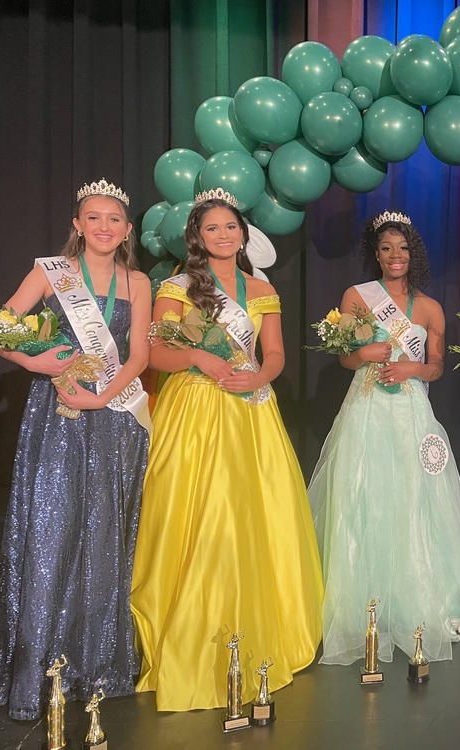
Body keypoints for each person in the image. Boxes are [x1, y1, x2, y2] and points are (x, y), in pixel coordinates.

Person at [131, 188, 323, 711]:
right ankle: (191, 633)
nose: (223, 235)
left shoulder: (262, 288)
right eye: (212, 228)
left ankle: (259, 632)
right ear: (197, 237)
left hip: (251, 411)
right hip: (194, 408)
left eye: (231, 228)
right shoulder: (175, 287)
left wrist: (258, 373)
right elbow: (155, 352)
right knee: (200, 516)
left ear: (244, 235)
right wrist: (201, 356)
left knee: (253, 518)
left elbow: (277, 353)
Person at [0, 179, 152, 720]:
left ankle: (94, 665)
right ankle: (34, 668)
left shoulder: (137, 281)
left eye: (114, 219)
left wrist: (104, 400)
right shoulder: (52, 273)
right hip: (58, 414)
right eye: (93, 218)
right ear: (77, 225)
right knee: (52, 530)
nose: (103, 227)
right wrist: (35, 363)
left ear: (127, 229)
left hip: (114, 418)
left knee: (103, 533)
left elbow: (138, 355)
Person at [308, 210, 460, 666]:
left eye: (402, 248)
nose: (394, 255)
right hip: (365, 409)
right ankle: (363, 602)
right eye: (385, 248)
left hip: (410, 411)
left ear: (413, 253)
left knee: (411, 498)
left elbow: (437, 367)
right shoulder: (358, 297)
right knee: (362, 496)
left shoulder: (430, 308)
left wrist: (412, 368)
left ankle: (418, 601)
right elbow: (345, 359)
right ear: (375, 254)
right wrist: (363, 352)